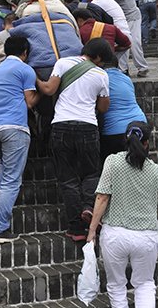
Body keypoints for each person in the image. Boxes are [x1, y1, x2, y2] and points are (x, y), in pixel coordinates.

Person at [86, 121, 158, 308]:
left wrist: (92, 230)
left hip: (115, 234)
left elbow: (102, 197)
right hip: (146, 237)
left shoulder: (112, 161)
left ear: (125, 140)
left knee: (116, 284)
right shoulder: (153, 169)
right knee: (144, 283)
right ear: (147, 142)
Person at [36, 38, 112, 241]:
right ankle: (88, 207)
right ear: (97, 57)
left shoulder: (63, 63)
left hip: (61, 126)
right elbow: (104, 108)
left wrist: (35, 78)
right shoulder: (101, 74)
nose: (102, 64)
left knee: (68, 178)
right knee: (90, 173)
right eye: (102, 60)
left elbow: (49, 90)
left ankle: (75, 229)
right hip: (88, 127)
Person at [0, 36, 41, 243]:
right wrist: (43, 89)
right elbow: (30, 102)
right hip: (13, 128)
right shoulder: (25, 69)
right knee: (11, 181)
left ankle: (1, 218)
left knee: (5, 173)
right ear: (25, 53)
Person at [98, 55, 147, 161]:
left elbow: (102, 109)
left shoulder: (100, 78)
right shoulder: (127, 79)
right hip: (140, 125)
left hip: (114, 131)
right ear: (118, 66)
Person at [102, 0, 149, 78]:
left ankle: (143, 68)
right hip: (124, 20)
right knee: (123, 43)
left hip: (133, 17)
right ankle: (123, 69)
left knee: (135, 42)